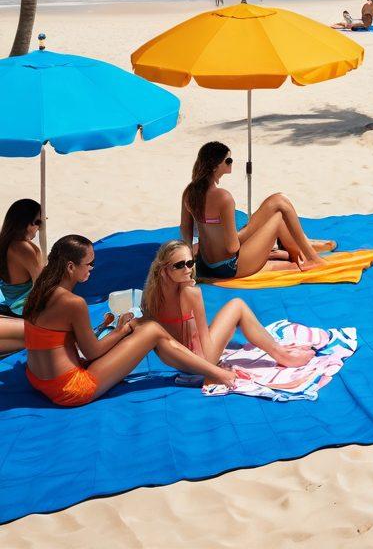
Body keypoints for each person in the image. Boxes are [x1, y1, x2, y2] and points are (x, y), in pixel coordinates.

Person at [22, 235, 236, 407]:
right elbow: (92, 352)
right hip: (69, 389)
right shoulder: (73, 303)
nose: (92, 268)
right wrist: (122, 330)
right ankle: (216, 373)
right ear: (70, 267)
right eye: (89, 263)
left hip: (37, 379)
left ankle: (203, 367)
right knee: (152, 330)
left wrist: (122, 329)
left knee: (147, 329)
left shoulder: (39, 292)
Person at [142, 240, 314, 367]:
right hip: (199, 361)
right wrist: (212, 368)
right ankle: (282, 355)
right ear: (165, 269)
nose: (188, 269)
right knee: (237, 306)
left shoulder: (151, 296)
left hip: (177, 362)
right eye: (180, 265)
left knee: (225, 319)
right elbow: (205, 342)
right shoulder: (191, 293)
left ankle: (279, 351)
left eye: (190, 263)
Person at [181, 142, 334, 282]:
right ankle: (309, 256)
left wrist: (192, 259)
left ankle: (300, 252)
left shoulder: (189, 193)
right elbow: (232, 247)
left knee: (277, 200)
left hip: (206, 264)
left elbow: (185, 229)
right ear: (215, 166)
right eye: (228, 161)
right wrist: (251, 231)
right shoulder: (223, 197)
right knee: (278, 217)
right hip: (229, 267)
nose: (231, 163)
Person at [0, 198, 44, 316]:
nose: (40, 227)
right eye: (38, 222)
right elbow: (40, 284)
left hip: (12, 300)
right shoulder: (23, 248)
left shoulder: (6, 240)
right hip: (22, 306)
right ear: (26, 223)